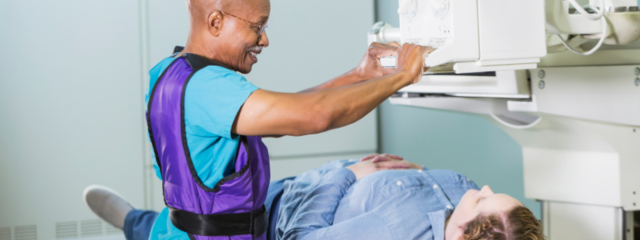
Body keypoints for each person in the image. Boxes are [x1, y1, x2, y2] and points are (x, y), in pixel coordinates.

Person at [144, 0, 431, 238]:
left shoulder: (171, 71)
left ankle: (133, 220)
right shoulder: (209, 86)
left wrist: (359, 75)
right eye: (257, 27)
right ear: (216, 22)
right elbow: (315, 115)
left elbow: (283, 115)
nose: (264, 39)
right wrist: (403, 75)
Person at [83, 154, 545, 240]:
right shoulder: (469, 211)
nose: (481, 188)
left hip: (277, 215)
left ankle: (133, 225)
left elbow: (302, 237)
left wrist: (349, 173)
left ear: (465, 235)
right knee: (196, 205)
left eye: (483, 200)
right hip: (300, 185)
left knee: (183, 231)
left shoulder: (389, 235)